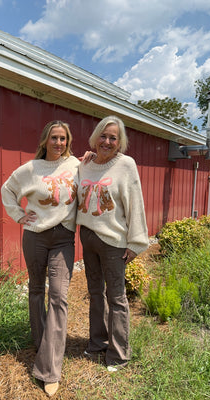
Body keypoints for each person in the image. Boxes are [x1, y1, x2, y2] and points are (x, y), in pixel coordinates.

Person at [1, 120, 80, 397]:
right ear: (45, 140)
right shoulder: (30, 169)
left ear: (68, 141)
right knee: (36, 290)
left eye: (63, 139)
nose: (59, 143)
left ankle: (49, 370)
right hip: (34, 235)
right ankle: (41, 341)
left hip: (62, 238)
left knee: (58, 296)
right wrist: (19, 214)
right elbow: (7, 189)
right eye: (54, 138)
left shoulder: (76, 166)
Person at [76, 115, 149, 372]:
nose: (107, 141)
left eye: (113, 138)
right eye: (103, 136)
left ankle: (119, 354)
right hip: (88, 236)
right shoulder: (84, 164)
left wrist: (135, 241)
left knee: (116, 297)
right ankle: (97, 342)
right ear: (96, 137)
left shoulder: (126, 165)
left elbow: (135, 203)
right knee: (95, 293)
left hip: (114, 242)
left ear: (120, 142)